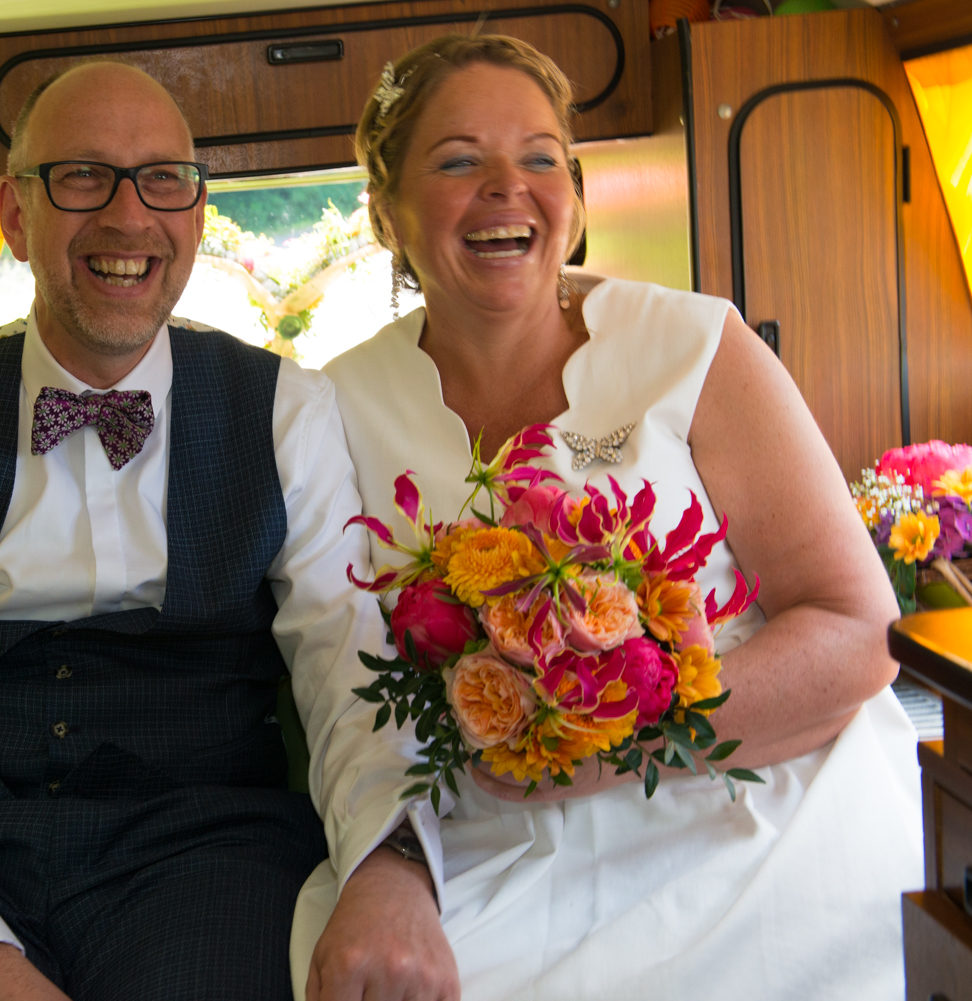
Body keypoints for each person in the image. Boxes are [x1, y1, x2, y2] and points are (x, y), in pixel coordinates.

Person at [0, 61, 438, 1001]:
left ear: (197, 214)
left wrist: (392, 866)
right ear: (15, 215)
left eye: (163, 178)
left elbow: (349, 677)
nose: (129, 216)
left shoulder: (288, 410)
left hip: (210, 856)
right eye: (82, 175)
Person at [295, 34, 924, 1001]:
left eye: (541, 158)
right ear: (386, 210)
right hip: (492, 827)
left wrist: (613, 744)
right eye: (459, 161)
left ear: (576, 199)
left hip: (748, 792)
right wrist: (392, 864)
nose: (508, 187)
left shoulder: (693, 344)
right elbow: (342, 684)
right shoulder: (331, 408)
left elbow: (857, 632)